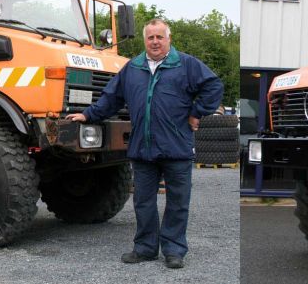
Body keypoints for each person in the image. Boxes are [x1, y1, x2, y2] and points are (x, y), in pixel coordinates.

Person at [66, 18, 223, 269]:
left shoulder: (186, 65)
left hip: (177, 147)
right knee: (143, 202)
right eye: (150, 37)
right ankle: (146, 248)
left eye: (160, 37)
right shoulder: (133, 68)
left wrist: (197, 112)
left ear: (169, 39)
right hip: (143, 148)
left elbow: (213, 85)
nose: (155, 41)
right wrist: (88, 114)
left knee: (178, 202)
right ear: (145, 40)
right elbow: (111, 97)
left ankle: (174, 250)